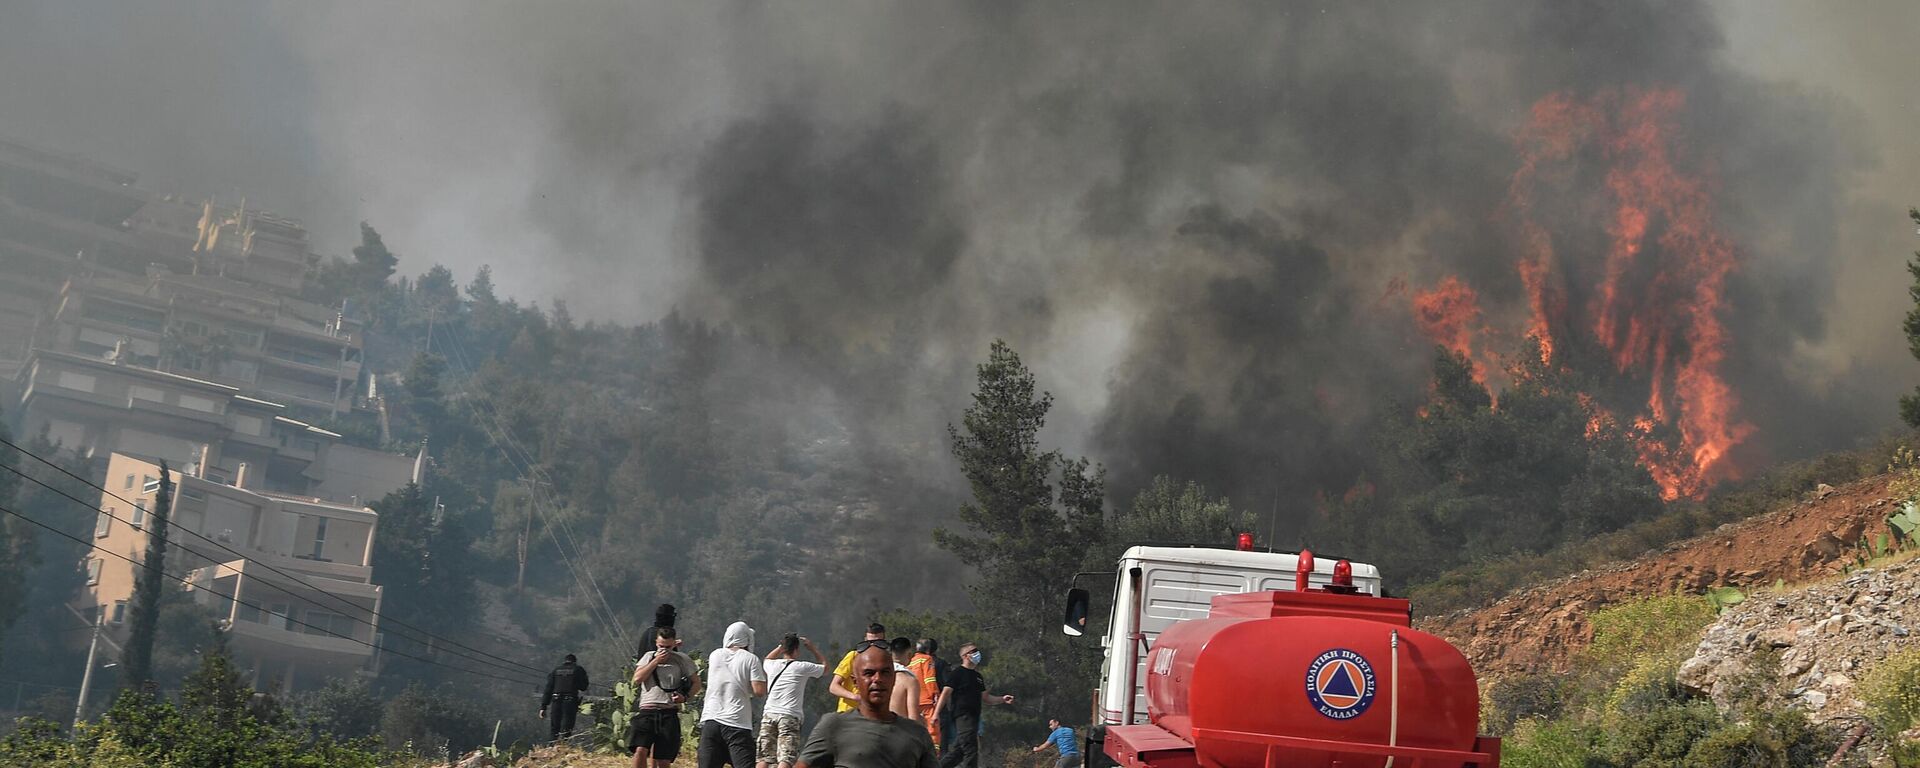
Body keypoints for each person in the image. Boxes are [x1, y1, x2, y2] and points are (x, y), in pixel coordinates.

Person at [795, 641, 938, 768]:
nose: (877, 679)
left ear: (894, 679)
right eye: (869, 673)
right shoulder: (833, 725)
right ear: (855, 681)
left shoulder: (917, 734)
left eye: (885, 672)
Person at [700, 621, 770, 768]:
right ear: (748, 640)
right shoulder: (751, 659)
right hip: (737, 723)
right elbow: (759, 691)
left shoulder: (715, 655)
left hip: (711, 720)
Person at [933, 644, 1012, 768]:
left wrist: (1002, 699)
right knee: (971, 749)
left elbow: (986, 698)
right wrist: (935, 714)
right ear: (965, 656)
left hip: (974, 718)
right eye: (973, 651)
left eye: (977, 651)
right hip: (963, 715)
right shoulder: (957, 673)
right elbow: (946, 693)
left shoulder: (978, 677)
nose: (977, 653)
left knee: (958, 753)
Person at [632, 627, 701, 768]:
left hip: (668, 711)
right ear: (656, 643)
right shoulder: (648, 657)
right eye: (661, 646)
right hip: (648, 710)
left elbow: (697, 683)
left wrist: (685, 697)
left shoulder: (681, 660)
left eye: (668, 647)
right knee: (640, 749)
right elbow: (637, 679)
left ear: (674, 644)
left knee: (663, 759)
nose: (664, 650)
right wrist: (655, 661)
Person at [758, 633, 828, 768]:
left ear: (784, 649)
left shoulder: (772, 665)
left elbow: (767, 658)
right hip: (789, 716)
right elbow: (825, 668)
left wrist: (780, 647)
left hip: (769, 714)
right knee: (786, 758)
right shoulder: (802, 667)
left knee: (764, 758)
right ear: (797, 650)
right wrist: (813, 649)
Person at [829, 623, 887, 713]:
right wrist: (856, 697)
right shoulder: (853, 656)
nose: (873, 646)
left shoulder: (886, 660)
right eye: (869, 642)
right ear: (865, 640)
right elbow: (833, 687)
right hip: (848, 713)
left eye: (878, 643)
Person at [540, 653, 590, 742]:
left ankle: (552, 747)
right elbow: (584, 686)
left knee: (554, 728)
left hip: (556, 700)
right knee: (566, 727)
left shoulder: (556, 670)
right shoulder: (578, 669)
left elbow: (548, 689)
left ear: (565, 661)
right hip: (570, 701)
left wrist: (543, 707)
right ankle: (563, 746)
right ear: (574, 661)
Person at [906, 639, 943, 751]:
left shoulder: (910, 662)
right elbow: (929, 679)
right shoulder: (927, 659)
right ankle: (933, 756)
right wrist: (935, 694)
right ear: (928, 650)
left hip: (913, 702)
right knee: (933, 730)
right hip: (926, 701)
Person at [887, 637, 921, 725]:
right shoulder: (909, 681)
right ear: (909, 655)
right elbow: (913, 718)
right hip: (900, 731)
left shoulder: (878, 677)